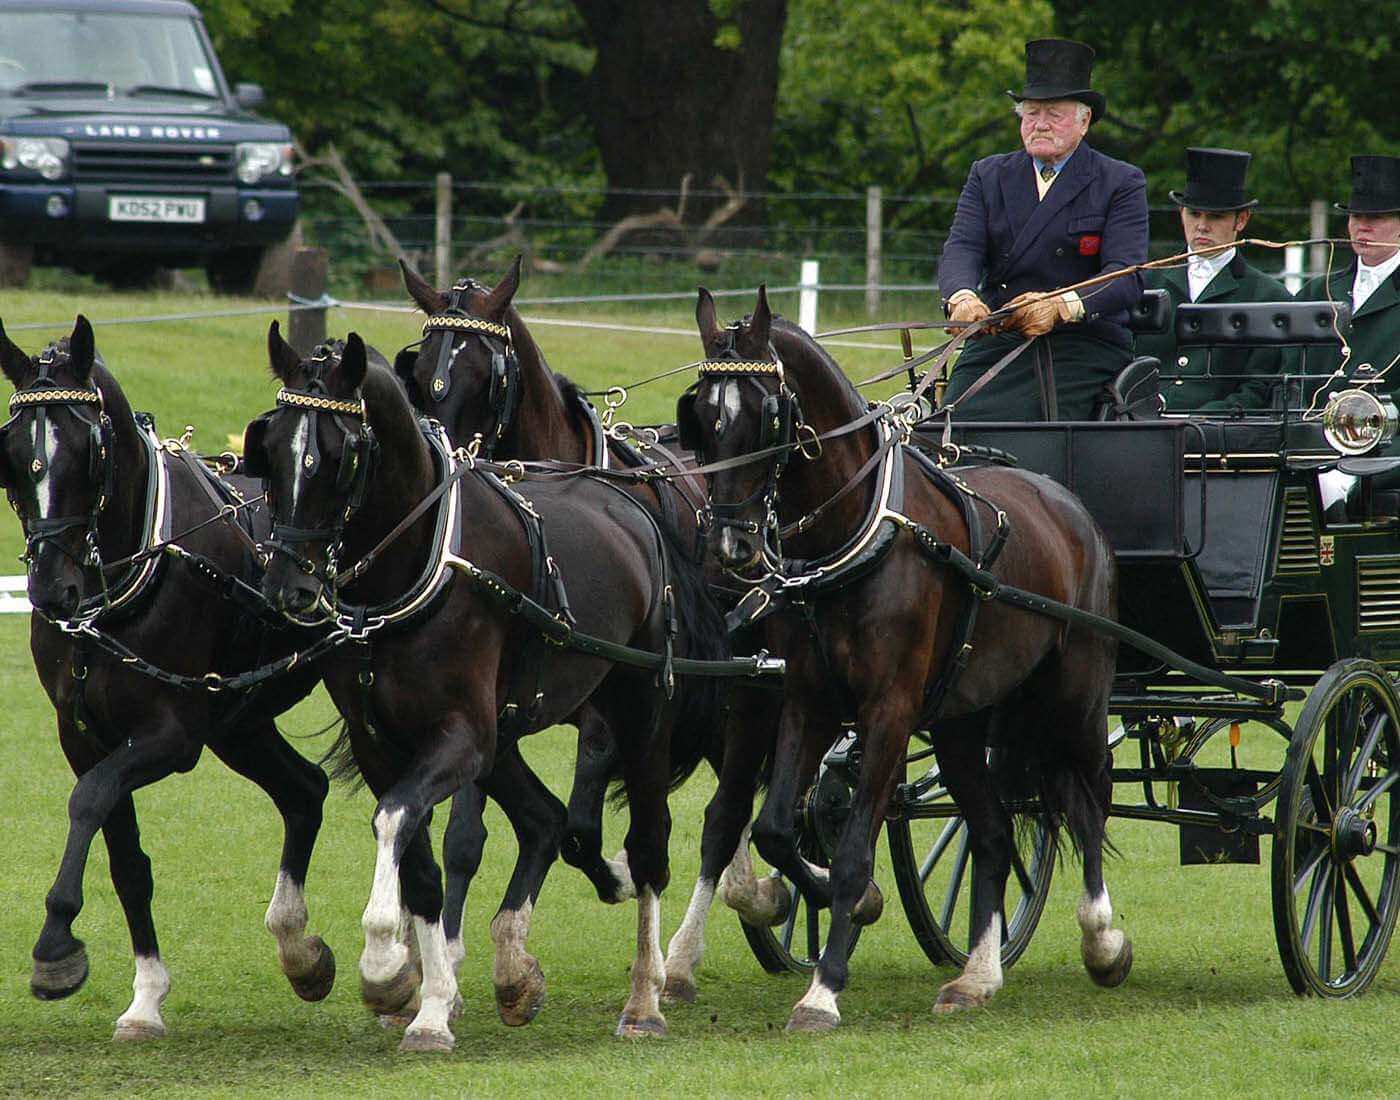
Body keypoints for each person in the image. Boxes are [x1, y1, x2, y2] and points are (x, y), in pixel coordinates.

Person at [937, 38, 1148, 421]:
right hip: (999, 334)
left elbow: (1126, 275)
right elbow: (962, 247)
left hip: (1083, 342)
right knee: (951, 419)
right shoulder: (988, 175)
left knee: (1034, 426)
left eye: (1054, 114)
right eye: (1031, 113)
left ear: (1084, 121)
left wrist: (1060, 305)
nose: (1040, 125)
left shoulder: (1119, 181)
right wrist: (962, 296)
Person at [1137, 148, 1295, 413]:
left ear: (1241, 220)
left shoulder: (1268, 296)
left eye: (1215, 216)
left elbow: (1258, 388)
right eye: (1194, 214)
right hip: (1141, 428)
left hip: (1219, 434)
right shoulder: (1147, 280)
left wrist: (1202, 422)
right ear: (1181, 213)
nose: (1202, 225)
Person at [1302, 155, 1400, 517]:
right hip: (1310, 438)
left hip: (1383, 441)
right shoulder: (1319, 290)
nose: (1363, 227)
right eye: (1357, 217)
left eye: (1376, 218)